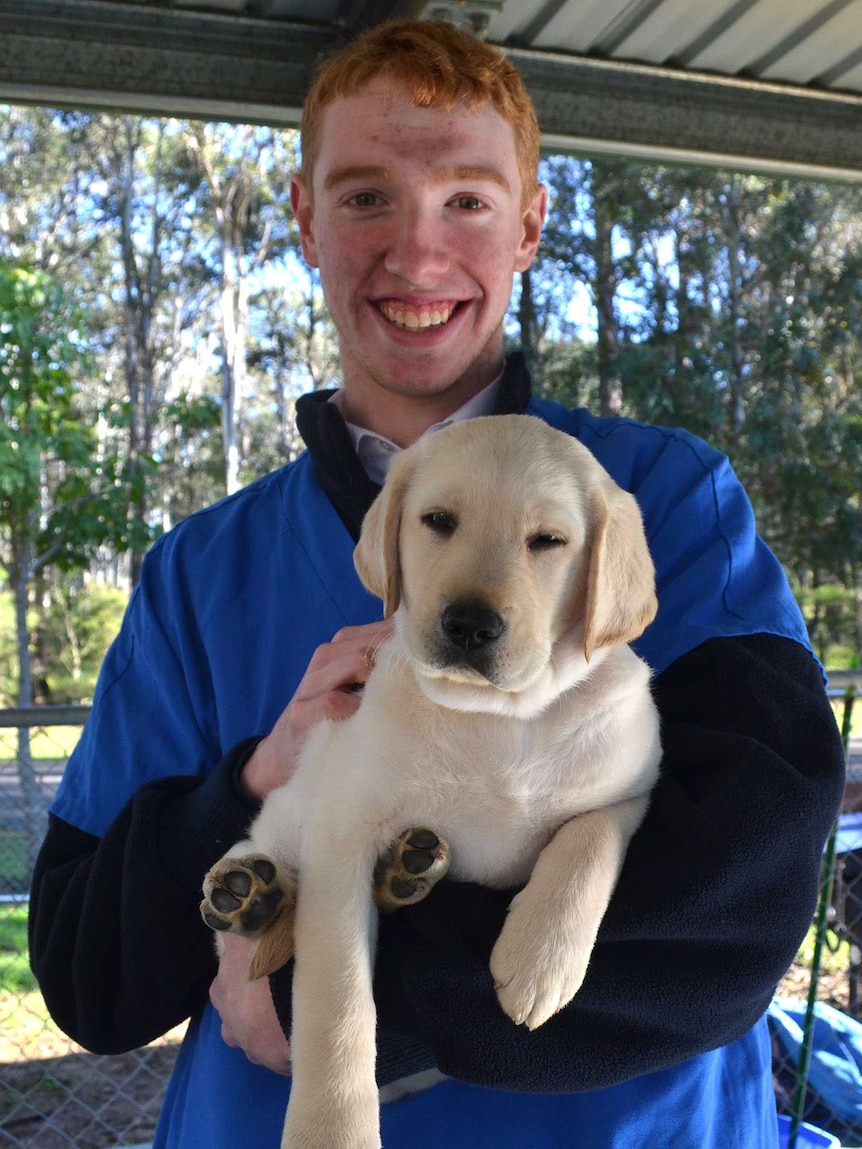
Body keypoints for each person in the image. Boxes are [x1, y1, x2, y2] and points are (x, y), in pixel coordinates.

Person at [29, 19, 844, 1149]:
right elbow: (87, 978)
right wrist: (252, 783)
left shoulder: (663, 503)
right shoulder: (198, 572)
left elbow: (735, 910)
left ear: (530, 224)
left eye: (466, 198)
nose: (415, 255)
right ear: (304, 221)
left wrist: (353, 1008)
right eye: (364, 197)